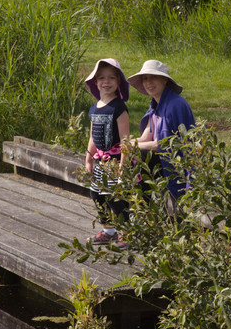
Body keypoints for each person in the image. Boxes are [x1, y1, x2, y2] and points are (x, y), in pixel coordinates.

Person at [125, 60, 195, 216]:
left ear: (165, 80)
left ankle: (143, 213)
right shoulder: (156, 103)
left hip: (176, 165)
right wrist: (124, 144)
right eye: (145, 78)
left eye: (153, 77)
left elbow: (161, 145)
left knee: (140, 155)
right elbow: (146, 136)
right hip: (161, 161)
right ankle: (135, 212)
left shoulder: (175, 104)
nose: (148, 82)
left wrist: (132, 147)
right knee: (123, 154)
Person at [82, 58, 131, 246]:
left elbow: (125, 139)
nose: (106, 82)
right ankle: (108, 230)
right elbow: (93, 136)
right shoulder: (94, 108)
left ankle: (126, 232)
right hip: (100, 160)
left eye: (111, 78)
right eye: (102, 78)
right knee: (97, 194)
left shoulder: (119, 108)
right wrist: (88, 160)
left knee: (115, 197)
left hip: (116, 160)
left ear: (118, 81)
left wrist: (123, 165)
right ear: (95, 82)